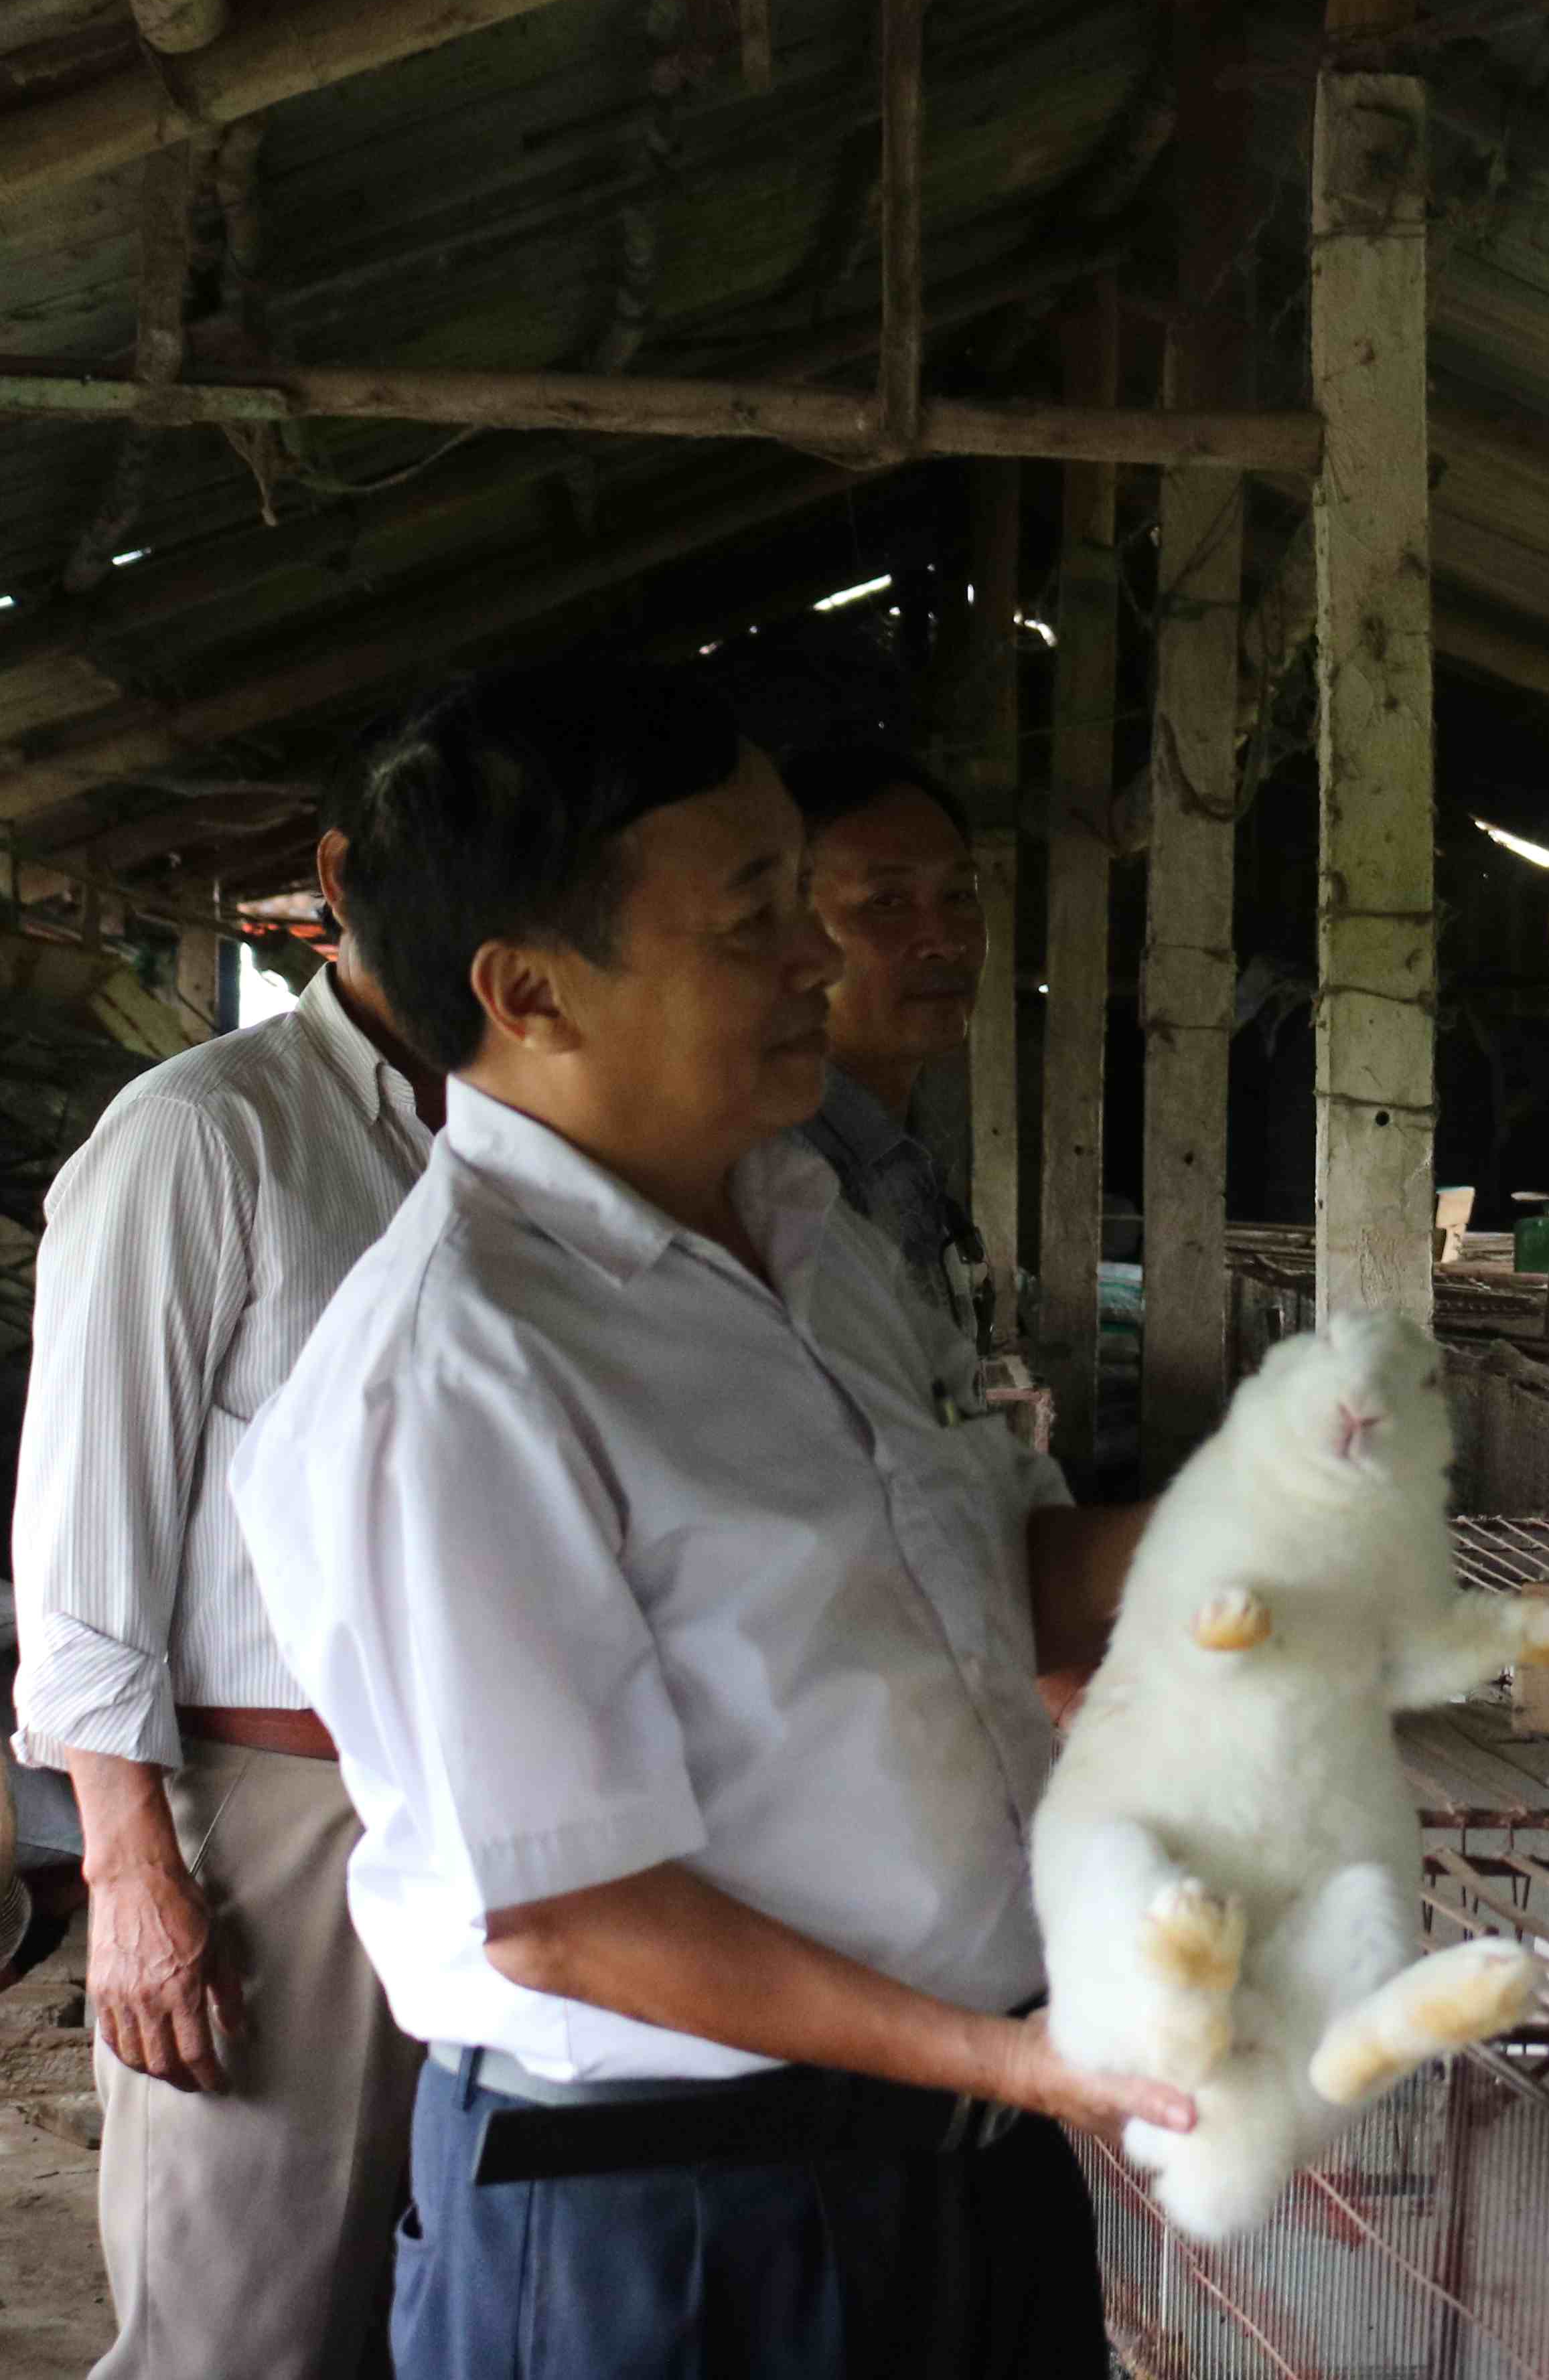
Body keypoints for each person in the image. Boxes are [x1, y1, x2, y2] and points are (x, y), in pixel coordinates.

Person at [227, 661, 1183, 2379]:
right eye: (755, 917)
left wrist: (1255, 1513)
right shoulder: (458, 1367)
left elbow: (990, 1581)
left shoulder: (819, 1239)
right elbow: (574, 1911)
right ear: (531, 991)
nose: (818, 955)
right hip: (673, 2222)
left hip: (955, 2158)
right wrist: (1012, 2060)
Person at [9, 734, 440, 2380]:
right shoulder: (205, 1133)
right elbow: (83, 1540)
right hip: (273, 1820)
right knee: (247, 2330)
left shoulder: (527, 1140)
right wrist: (132, 1878)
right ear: (338, 877)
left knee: (442, 2311)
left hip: (483, 1810)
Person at [782, 740, 987, 1357]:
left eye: (960, 895)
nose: (944, 941)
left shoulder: (897, 1148)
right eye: (888, 902)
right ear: (786, 931)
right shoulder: (784, 1185)